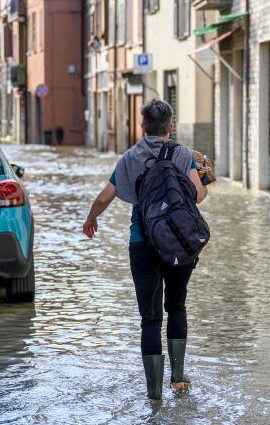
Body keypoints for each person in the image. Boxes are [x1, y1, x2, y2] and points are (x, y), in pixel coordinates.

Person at [83, 99, 210, 401]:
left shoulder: (129, 157)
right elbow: (199, 196)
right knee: (176, 306)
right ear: (170, 126)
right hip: (179, 242)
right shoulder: (182, 154)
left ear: (142, 126)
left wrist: (90, 219)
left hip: (143, 242)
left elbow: (105, 196)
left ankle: (154, 395)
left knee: (150, 317)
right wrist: (203, 177)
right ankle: (178, 379)